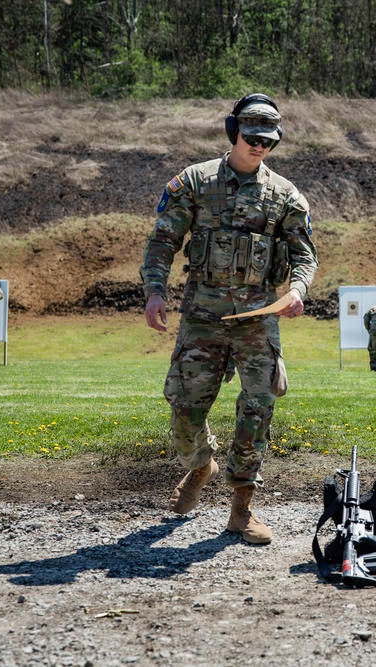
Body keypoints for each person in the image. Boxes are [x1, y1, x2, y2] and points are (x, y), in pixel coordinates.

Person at [140, 93, 318, 544]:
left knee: (258, 407)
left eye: (269, 141)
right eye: (252, 137)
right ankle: (201, 464)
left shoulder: (284, 195)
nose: (260, 147)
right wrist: (155, 292)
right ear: (232, 131)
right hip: (203, 315)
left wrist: (297, 289)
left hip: (259, 317)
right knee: (184, 409)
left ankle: (242, 506)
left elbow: (304, 255)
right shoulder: (194, 183)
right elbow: (163, 242)